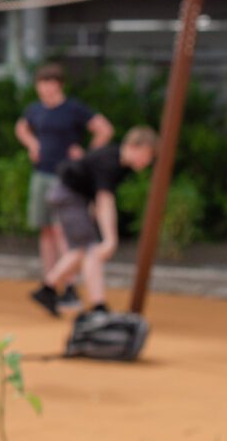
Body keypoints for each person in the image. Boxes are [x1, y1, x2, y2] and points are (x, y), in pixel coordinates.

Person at [30, 127, 158, 316]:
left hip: (74, 197)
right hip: (68, 196)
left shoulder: (120, 163)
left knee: (82, 249)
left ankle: (47, 289)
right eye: (147, 155)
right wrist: (110, 239)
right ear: (133, 146)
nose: (147, 161)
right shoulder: (111, 162)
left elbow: (96, 195)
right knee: (91, 249)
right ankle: (98, 306)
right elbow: (104, 200)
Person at [15, 63, 114, 306]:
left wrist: (87, 155)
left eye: (50, 84)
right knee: (46, 231)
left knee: (63, 234)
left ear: (59, 85)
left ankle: (69, 285)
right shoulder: (35, 110)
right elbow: (21, 127)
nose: (45, 89)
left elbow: (104, 129)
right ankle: (51, 282)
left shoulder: (73, 109)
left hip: (65, 179)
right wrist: (31, 144)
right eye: (41, 84)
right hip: (41, 175)